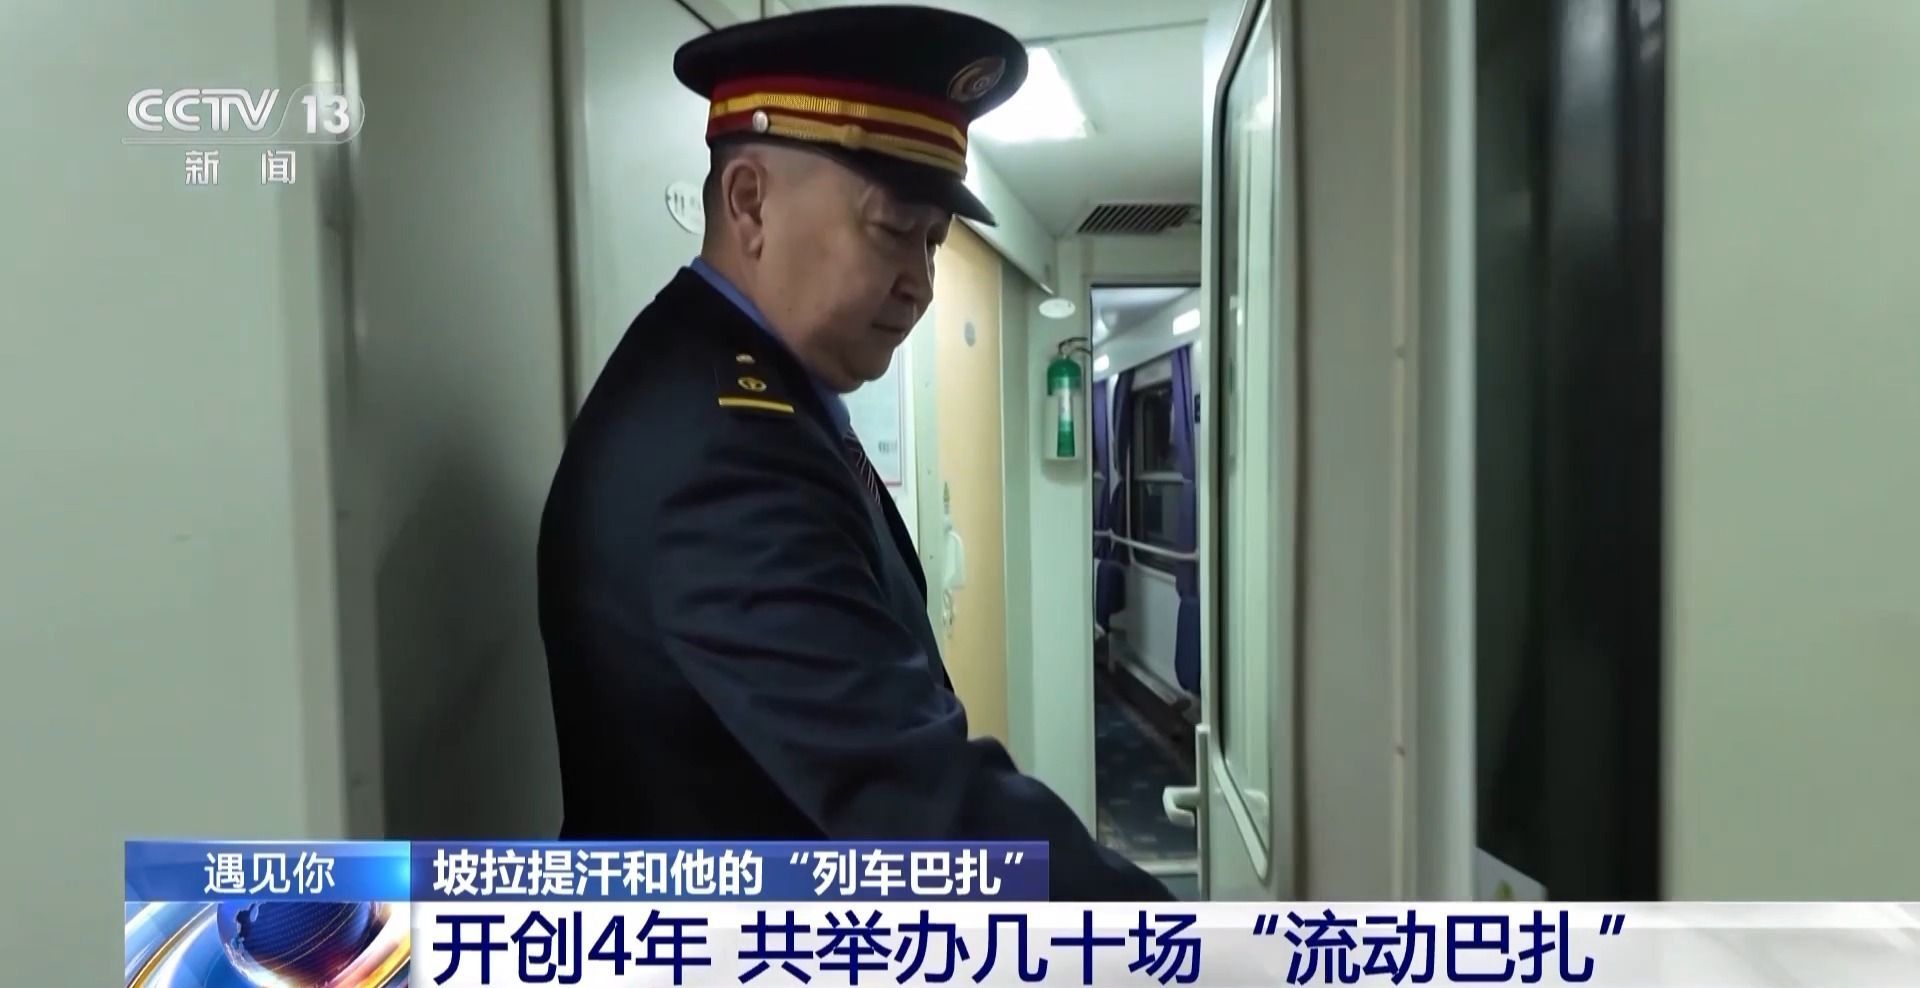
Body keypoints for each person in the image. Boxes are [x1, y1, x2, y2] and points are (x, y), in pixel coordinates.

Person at [537, 4, 1172, 902]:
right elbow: (919, 803)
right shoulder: (722, 453)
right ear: (750, 202)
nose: (920, 282)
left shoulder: (762, 401)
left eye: (933, 242)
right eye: (892, 229)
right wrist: (1182, 945)